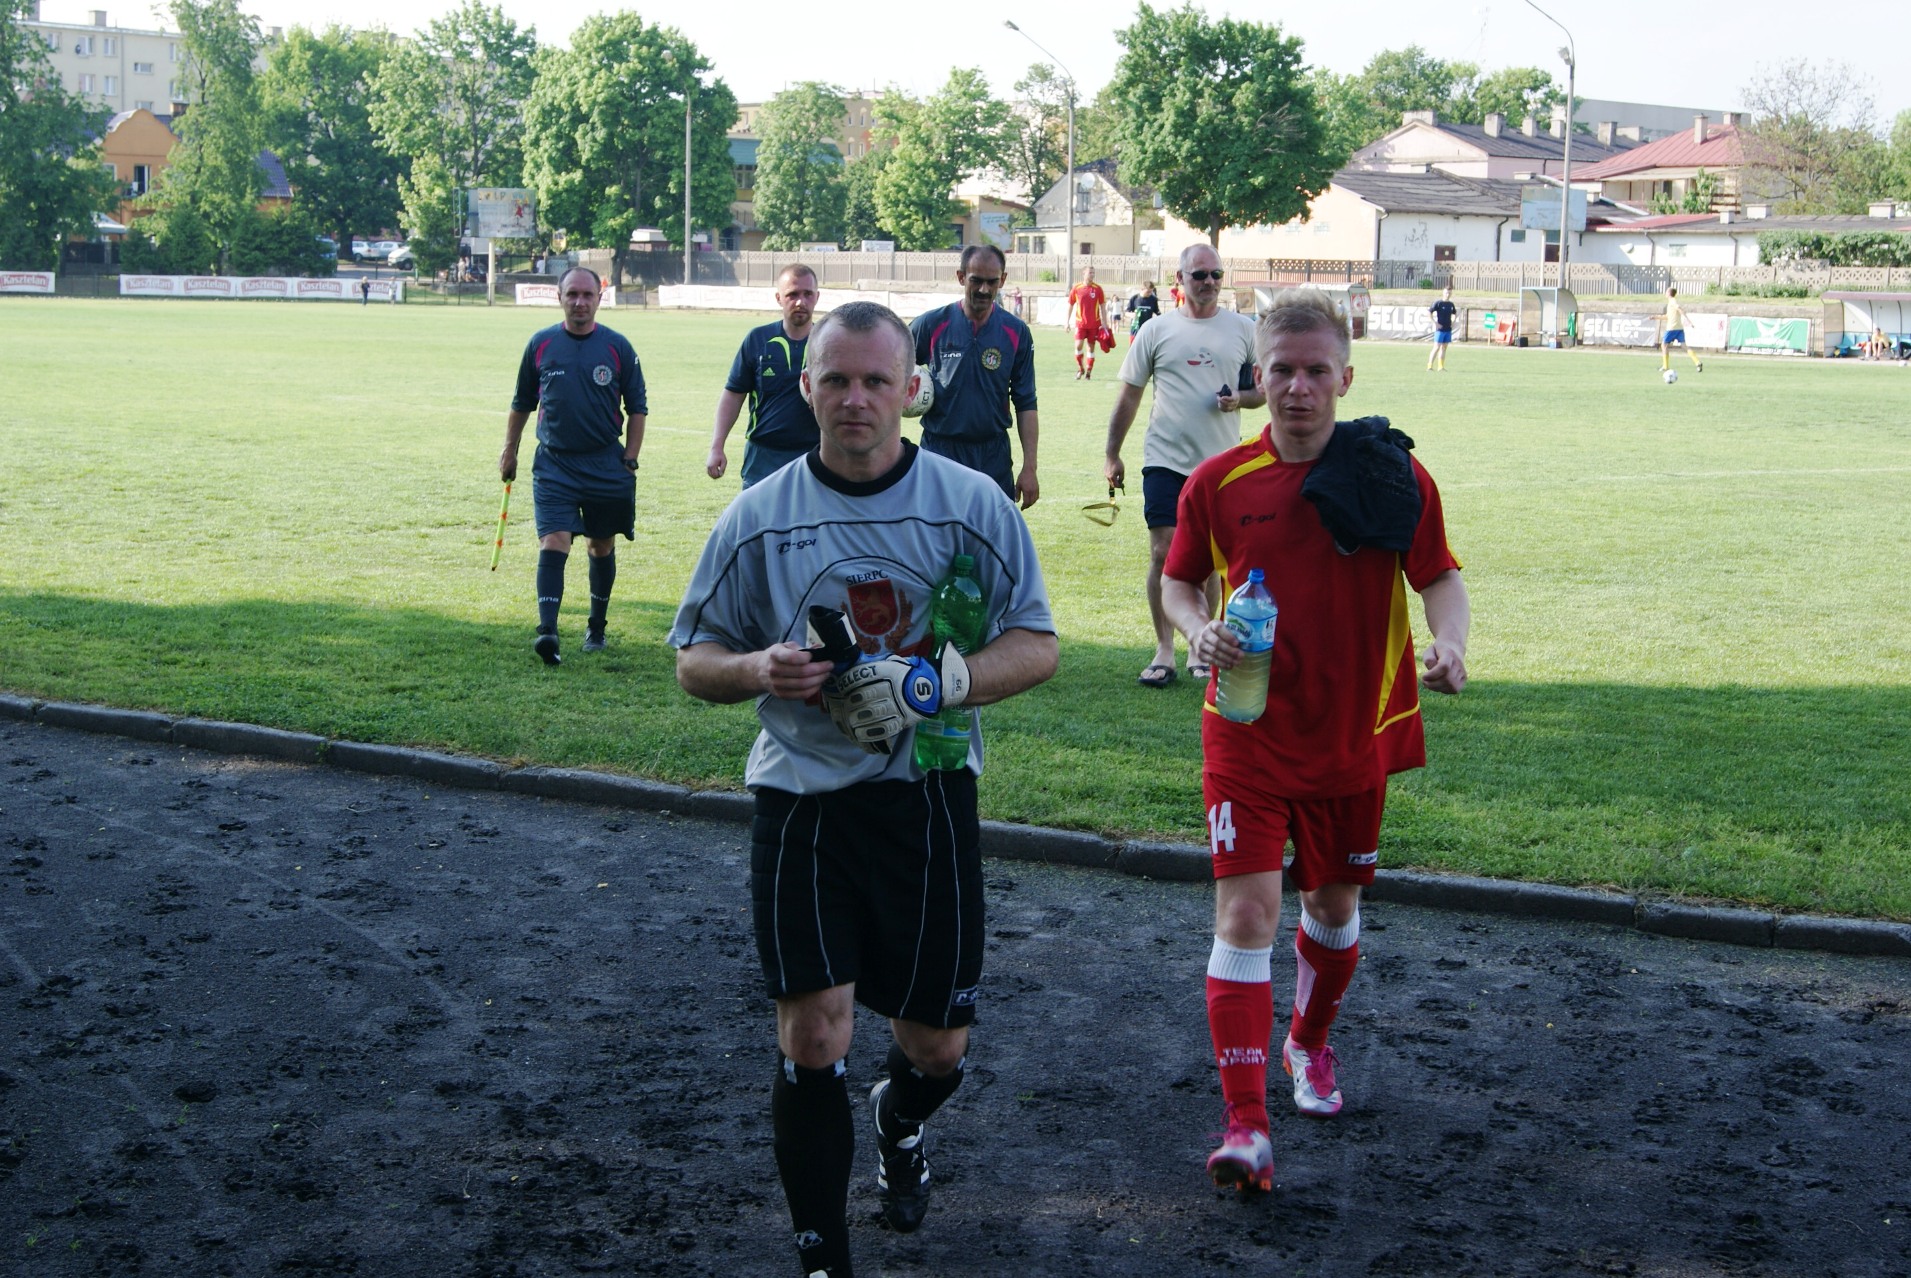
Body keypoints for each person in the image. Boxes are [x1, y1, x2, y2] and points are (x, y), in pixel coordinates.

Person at [670, 300, 1058, 1278]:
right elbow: (691, 661)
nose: (855, 400)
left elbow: (1037, 644)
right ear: (803, 388)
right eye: (834, 380)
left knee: (936, 1048)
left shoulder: (972, 505)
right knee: (815, 1029)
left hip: (927, 796)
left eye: (875, 381)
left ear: (912, 389)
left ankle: (898, 1119)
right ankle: (822, 1259)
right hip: (803, 797)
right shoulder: (756, 518)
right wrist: (760, 668)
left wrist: (937, 683)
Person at [1160, 288, 1470, 1195]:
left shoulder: (1392, 476)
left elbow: (1439, 576)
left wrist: (1449, 641)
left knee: (1331, 917)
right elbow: (1180, 585)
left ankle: (1307, 1044)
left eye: (1314, 371)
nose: (1297, 388)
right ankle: (1245, 1127)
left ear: (1344, 375)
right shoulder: (1215, 486)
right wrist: (1194, 630)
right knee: (1246, 916)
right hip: (1245, 732)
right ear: (1257, 378)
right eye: (1280, 371)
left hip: (1349, 739)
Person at [1104, 243, 1264, 689]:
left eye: (1215, 274)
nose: (1209, 283)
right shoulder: (1156, 330)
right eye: (1199, 275)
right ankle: (1164, 648)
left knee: (1210, 561)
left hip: (1219, 467)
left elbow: (1262, 391)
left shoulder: (1243, 329)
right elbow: (1130, 396)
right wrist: (1112, 452)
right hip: (1164, 461)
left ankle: (1199, 642)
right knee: (1163, 552)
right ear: (1180, 279)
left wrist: (1240, 399)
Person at [498, 267, 645, 665]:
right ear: (559, 297)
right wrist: (509, 450)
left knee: (601, 544)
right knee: (554, 540)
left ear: (600, 298)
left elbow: (638, 409)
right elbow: (522, 402)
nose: (579, 302)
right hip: (554, 463)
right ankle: (548, 631)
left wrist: (629, 459)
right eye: (572, 295)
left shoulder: (617, 346)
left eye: (587, 295)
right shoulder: (541, 344)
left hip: (604, 462)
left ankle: (596, 628)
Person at [909, 244, 1041, 508]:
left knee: (993, 541)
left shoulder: (1016, 332)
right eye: (976, 281)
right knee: (937, 541)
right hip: (940, 451)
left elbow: (1026, 402)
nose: (984, 289)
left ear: (1002, 280)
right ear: (961, 277)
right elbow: (889, 375)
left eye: (992, 282)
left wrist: (1030, 468)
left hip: (993, 454)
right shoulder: (931, 325)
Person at [708, 264, 821, 487]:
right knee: (758, 521)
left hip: (815, 455)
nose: (800, 302)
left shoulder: (830, 342)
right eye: (792, 294)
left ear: (817, 297)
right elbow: (733, 394)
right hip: (763, 457)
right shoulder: (758, 339)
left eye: (807, 294)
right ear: (779, 298)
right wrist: (717, 446)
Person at [1067, 264, 1108, 379]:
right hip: (1080, 324)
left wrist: (1105, 322)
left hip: (1094, 324)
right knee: (1078, 346)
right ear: (1083, 273)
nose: (1092, 275)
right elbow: (1070, 305)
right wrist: (1067, 322)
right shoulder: (1077, 288)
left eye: (1093, 273)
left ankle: (1089, 372)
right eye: (1090, 273)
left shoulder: (1098, 289)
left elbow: (1103, 307)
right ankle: (1081, 369)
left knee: (1091, 347)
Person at [1660, 286, 1703, 374]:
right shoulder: (1670, 303)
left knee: (1664, 345)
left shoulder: (1672, 301)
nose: (1665, 293)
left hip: (1672, 328)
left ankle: (1665, 366)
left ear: (1669, 293)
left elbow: (1679, 309)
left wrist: (1688, 320)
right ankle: (1697, 362)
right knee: (1684, 346)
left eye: (1666, 291)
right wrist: (1655, 317)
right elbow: (1668, 316)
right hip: (1679, 328)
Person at [1427, 284, 1457, 371]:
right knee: (1436, 347)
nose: (1448, 294)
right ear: (1443, 293)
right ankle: (1429, 366)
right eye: (1447, 293)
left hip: (1448, 329)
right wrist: (1435, 323)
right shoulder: (1438, 303)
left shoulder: (1451, 304)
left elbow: (1454, 313)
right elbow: (1429, 312)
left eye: (1449, 293)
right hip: (1440, 329)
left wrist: (1453, 321)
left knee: (1444, 348)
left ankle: (1441, 367)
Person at [1126, 280, 1163, 345]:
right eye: (1148, 291)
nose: (1150, 293)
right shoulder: (1134, 298)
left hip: (1147, 329)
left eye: (1151, 291)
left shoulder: (1153, 299)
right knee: (1133, 349)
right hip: (1135, 329)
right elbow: (1126, 312)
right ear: (1142, 289)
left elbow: (1158, 313)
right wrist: (1131, 314)